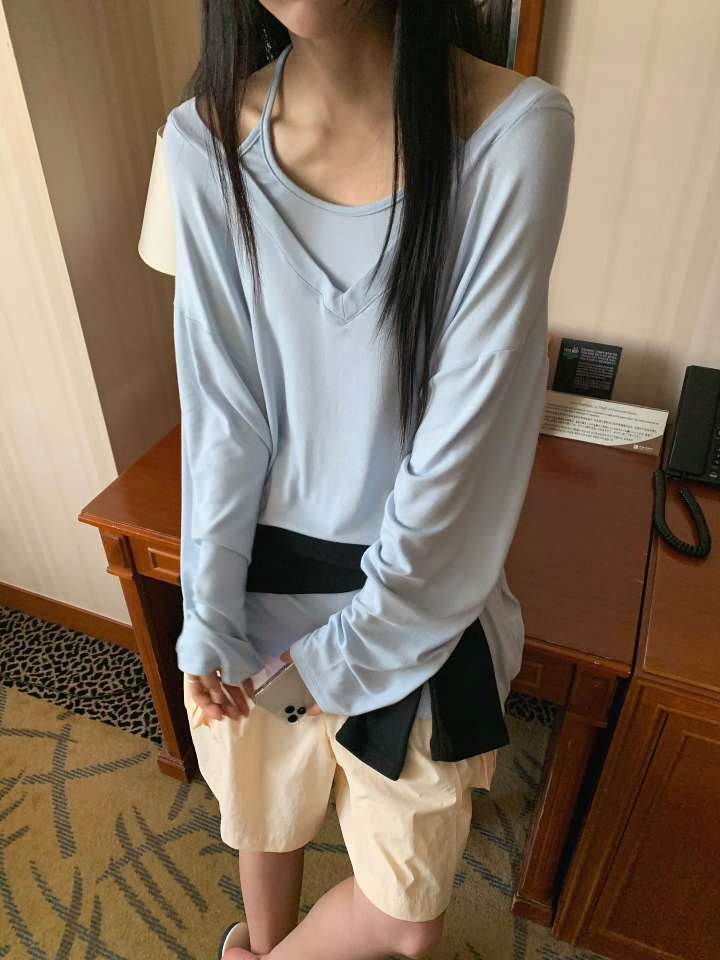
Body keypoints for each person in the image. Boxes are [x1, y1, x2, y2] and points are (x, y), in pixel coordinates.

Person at [164, 1, 575, 958]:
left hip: (416, 610)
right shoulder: (201, 140)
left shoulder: (514, 135)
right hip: (256, 595)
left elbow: (465, 454)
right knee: (263, 814)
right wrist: (209, 612)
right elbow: (224, 415)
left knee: (403, 924)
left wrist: (337, 662)